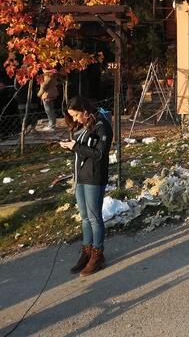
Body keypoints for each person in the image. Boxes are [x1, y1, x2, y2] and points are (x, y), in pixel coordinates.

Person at [59, 96, 113, 276]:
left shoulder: (101, 125)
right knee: (84, 217)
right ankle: (86, 250)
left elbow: (99, 154)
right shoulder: (84, 125)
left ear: (85, 111)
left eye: (76, 115)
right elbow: (82, 149)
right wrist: (70, 146)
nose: (75, 119)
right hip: (80, 176)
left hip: (94, 177)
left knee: (94, 217)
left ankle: (98, 254)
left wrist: (75, 147)